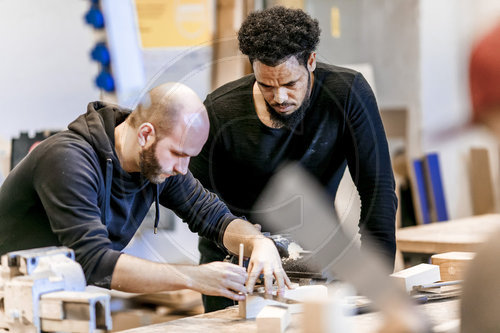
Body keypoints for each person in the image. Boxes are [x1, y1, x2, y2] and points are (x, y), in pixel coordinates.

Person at [189, 6, 397, 312]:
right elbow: (197, 203)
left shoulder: (346, 94)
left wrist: (376, 279)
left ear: (311, 61)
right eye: (266, 86)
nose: (280, 97)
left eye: (290, 84)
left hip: (317, 259)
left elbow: (376, 187)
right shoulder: (220, 112)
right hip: (236, 266)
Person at [0, 82, 290, 300]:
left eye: (190, 156)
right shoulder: (69, 159)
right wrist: (194, 277)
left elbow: (213, 216)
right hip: (8, 303)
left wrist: (257, 243)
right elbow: (95, 263)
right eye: (178, 153)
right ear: (146, 134)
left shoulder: (156, 163)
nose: (182, 168)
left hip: (53, 297)